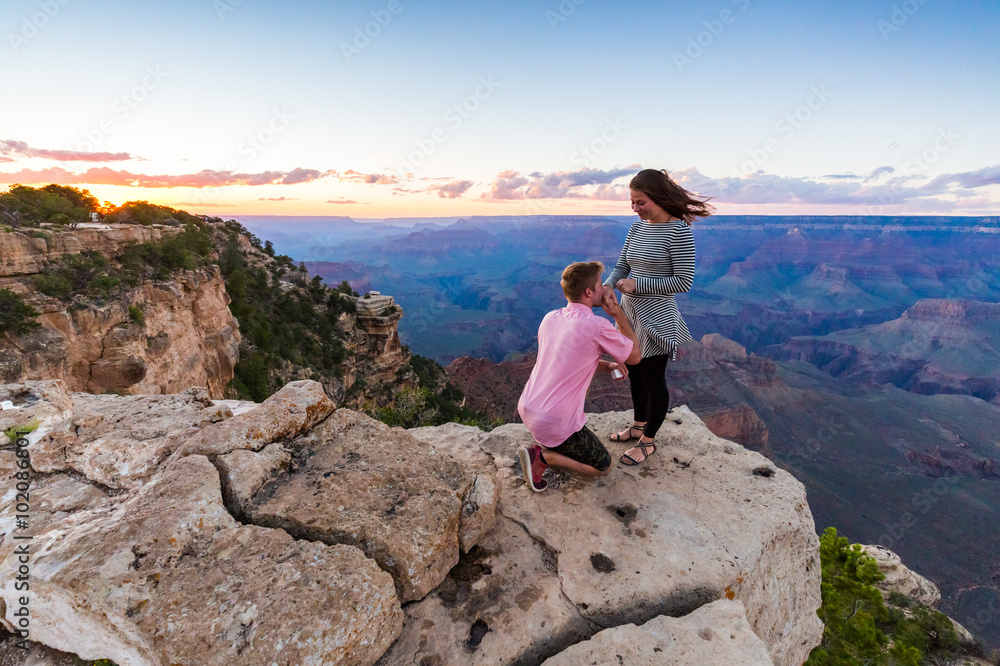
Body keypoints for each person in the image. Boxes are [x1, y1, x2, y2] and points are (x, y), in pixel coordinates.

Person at [603, 168, 713, 466]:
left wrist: (639, 286)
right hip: (628, 315)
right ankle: (638, 426)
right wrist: (608, 285)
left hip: (656, 319)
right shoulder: (636, 229)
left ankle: (648, 442)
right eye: (632, 202)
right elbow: (622, 264)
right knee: (634, 374)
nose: (635, 209)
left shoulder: (679, 232)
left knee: (654, 380)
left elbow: (683, 282)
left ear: (658, 197)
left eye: (641, 202)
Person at [516, 261, 641, 492]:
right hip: (554, 421)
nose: (604, 289)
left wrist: (606, 366)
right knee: (603, 465)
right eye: (599, 285)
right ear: (589, 292)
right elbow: (634, 356)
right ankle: (543, 458)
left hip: (528, 408)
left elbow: (565, 361)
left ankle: (546, 445)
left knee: (561, 435)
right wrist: (617, 313)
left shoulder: (550, 318)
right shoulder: (596, 325)